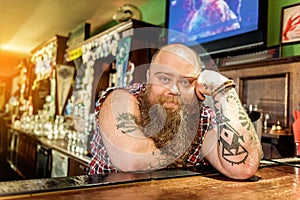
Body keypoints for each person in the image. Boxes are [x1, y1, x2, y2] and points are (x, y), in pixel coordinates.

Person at [89, 43, 263, 180]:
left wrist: (223, 88)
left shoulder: (201, 117)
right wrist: (181, 155)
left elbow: (244, 167)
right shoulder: (120, 98)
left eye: (186, 82)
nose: (174, 89)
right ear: (148, 77)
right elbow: (132, 160)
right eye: (164, 78)